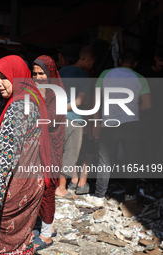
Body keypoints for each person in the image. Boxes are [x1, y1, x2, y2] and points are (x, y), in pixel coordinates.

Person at [0, 55, 53, 254]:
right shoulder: (33, 96)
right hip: (32, 182)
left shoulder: (19, 105)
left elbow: (8, 152)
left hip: (16, 187)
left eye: (3, 77)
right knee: (21, 240)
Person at [86, 49, 152, 207]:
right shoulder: (140, 78)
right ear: (135, 64)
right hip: (132, 124)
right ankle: (130, 196)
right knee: (133, 161)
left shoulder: (106, 74)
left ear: (120, 61)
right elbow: (148, 105)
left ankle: (99, 196)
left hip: (110, 123)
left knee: (105, 161)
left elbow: (97, 102)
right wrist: (131, 110)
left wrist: (96, 122)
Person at [32, 55, 65, 251]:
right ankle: (47, 226)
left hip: (51, 149)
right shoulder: (39, 90)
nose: (37, 77)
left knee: (47, 190)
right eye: (34, 73)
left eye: (41, 73)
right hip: (39, 147)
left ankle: (46, 235)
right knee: (40, 189)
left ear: (50, 72)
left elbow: (50, 121)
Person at [56, 45, 96, 197]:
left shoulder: (62, 71)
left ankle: (56, 185)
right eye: (92, 63)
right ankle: (61, 189)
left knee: (58, 152)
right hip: (74, 119)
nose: (92, 66)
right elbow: (79, 102)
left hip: (57, 119)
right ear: (88, 59)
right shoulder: (84, 77)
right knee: (70, 154)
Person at [139, 48, 163, 164]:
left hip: (159, 115)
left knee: (156, 142)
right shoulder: (145, 73)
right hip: (145, 113)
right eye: (160, 60)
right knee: (141, 141)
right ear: (155, 58)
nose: (162, 64)